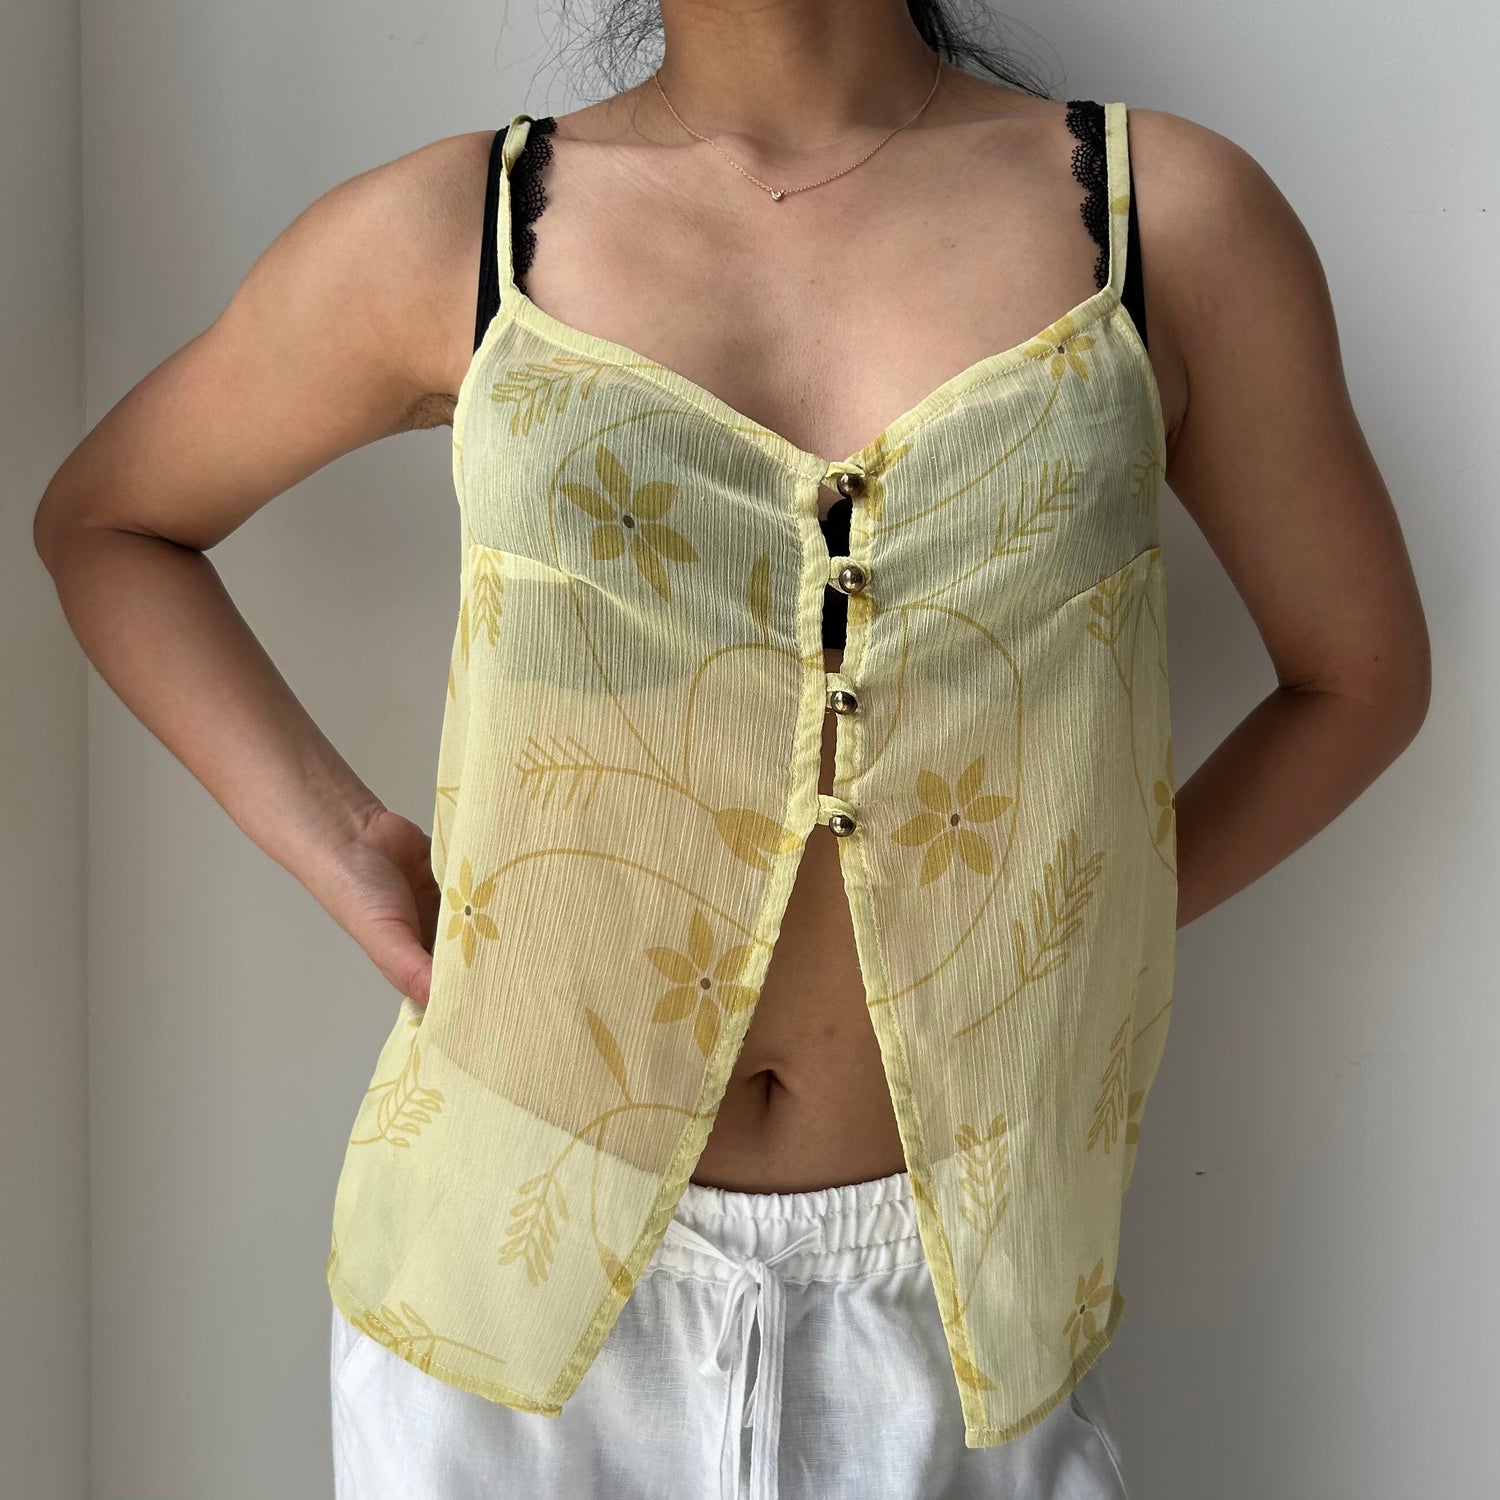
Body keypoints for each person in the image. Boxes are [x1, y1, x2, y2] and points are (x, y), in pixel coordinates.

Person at [32, 0, 1430, 1495]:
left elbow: (1355, 677)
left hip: (957, 1301)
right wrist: (345, 847)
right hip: (502, 1285)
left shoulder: (1171, 223)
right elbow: (111, 523)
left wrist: (1083, 922)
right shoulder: (448, 229)